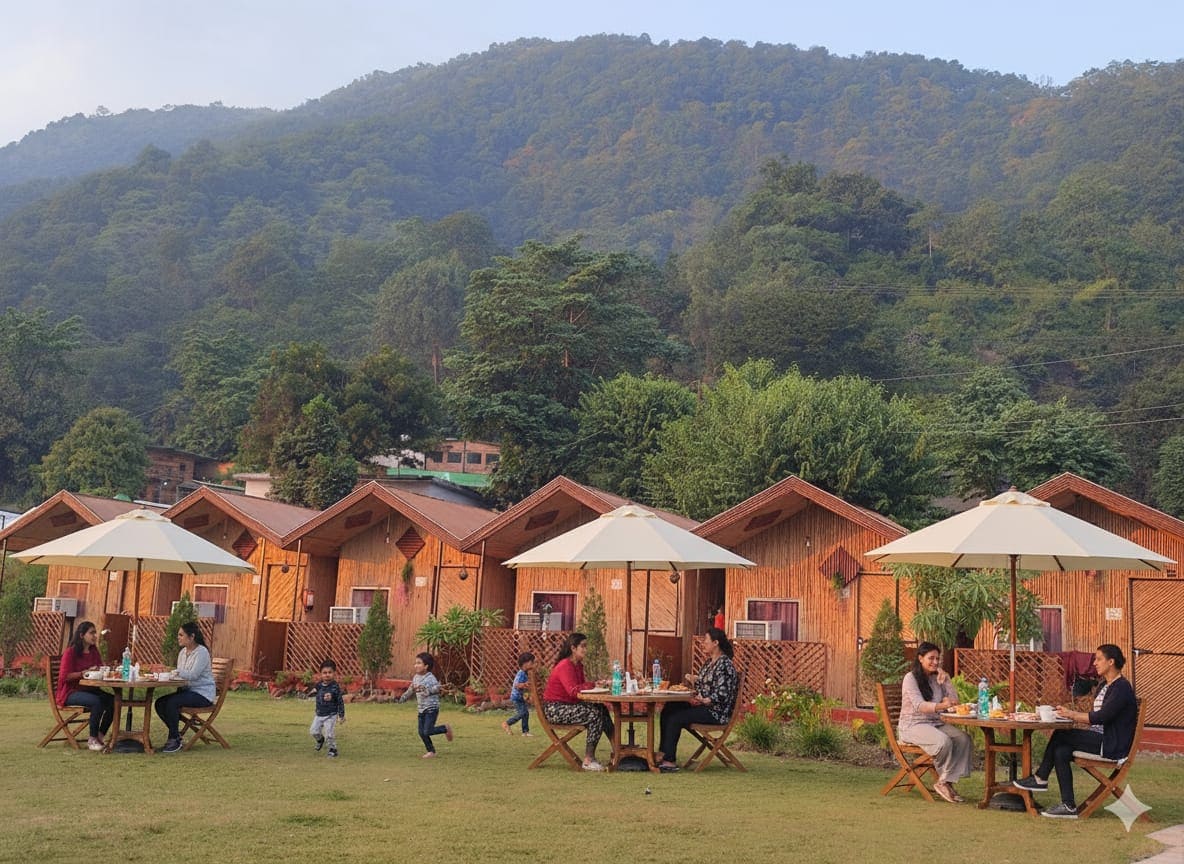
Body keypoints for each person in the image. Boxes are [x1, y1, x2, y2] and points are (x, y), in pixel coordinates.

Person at [1014, 643, 1138, 819]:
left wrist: (1071, 714)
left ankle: (1041, 778)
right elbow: (1097, 718)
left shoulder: (1121, 688)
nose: (1094, 663)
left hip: (1111, 744)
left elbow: (1101, 717)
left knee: (1062, 734)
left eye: (1099, 659)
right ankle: (1069, 806)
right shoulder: (1105, 685)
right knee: (1061, 751)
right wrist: (1066, 715)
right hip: (1102, 738)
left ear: (1111, 662)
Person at [898, 641, 973, 803]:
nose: (935, 662)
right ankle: (944, 782)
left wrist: (946, 680)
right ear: (920, 658)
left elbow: (954, 701)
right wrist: (941, 705)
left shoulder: (937, 678)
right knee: (943, 741)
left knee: (963, 739)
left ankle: (945, 782)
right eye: (931, 658)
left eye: (937, 659)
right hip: (913, 726)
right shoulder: (910, 678)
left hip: (935, 723)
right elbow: (919, 706)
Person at [656, 627, 739, 772]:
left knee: (676, 717)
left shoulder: (725, 664)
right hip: (704, 706)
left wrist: (707, 700)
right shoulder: (709, 663)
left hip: (716, 712)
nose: (703, 644)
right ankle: (663, 752)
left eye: (706, 641)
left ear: (715, 643)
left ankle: (669, 761)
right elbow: (704, 685)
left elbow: (723, 693)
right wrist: (694, 682)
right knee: (669, 708)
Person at [541, 632, 614, 771]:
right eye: (583, 646)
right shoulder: (565, 665)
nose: (585, 649)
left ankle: (617, 749)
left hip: (567, 705)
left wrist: (594, 685)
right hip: (555, 710)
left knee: (601, 708)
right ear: (573, 648)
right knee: (595, 713)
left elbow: (580, 689)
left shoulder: (578, 665)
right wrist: (592, 685)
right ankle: (588, 759)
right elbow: (574, 691)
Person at [154, 621, 215, 754]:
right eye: (178, 635)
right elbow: (181, 676)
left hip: (202, 694)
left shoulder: (202, 652)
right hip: (187, 691)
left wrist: (174, 672)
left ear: (191, 637)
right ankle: (176, 735)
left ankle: (174, 740)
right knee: (159, 703)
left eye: (181, 635)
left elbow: (193, 675)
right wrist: (170, 674)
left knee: (172, 703)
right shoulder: (182, 652)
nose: (178, 637)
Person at [57, 620, 115, 751]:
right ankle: (92, 739)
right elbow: (64, 677)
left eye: (95, 633)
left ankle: (100, 736)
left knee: (114, 701)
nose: (95, 636)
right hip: (71, 692)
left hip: (91, 689)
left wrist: (104, 669)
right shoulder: (70, 652)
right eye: (92, 633)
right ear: (81, 635)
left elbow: (100, 667)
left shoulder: (94, 651)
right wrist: (83, 673)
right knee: (96, 702)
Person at [397, 652, 453, 758]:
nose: (416, 665)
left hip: (431, 708)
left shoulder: (430, 678)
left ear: (426, 666)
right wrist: (403, 698)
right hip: (421, 709)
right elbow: (411, 689)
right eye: (415, 663)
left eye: (419, 663)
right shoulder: (416, 677)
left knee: (428, 730)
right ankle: (431, 751)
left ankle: (445, 728)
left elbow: (436, 689)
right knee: (421, 732)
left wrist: (424, 690)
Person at [310, 658, 345, 758]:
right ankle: (320, 740)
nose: (327, 674)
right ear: (321, 674)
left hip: (331, 715)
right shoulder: (319, 685)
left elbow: (340, 701)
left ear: (334, 673)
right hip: (319, 714)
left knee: (329, 734)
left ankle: (333, 749)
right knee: (313, 731)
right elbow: (314, 690)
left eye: (330, 672)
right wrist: (309, 693)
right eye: (324, 672)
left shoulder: (335, 687)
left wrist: (341, 715)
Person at [502, 651, 534, 737]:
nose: (533, 664)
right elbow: (516, 685)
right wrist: (524, 684)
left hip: (520, 697)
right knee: (522, 713)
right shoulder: (521, 673)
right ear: (525, 663)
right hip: (516, 697)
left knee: (525, 713)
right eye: (532, 662)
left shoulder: (526, 673)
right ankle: (507, 723)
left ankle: (525, 732)